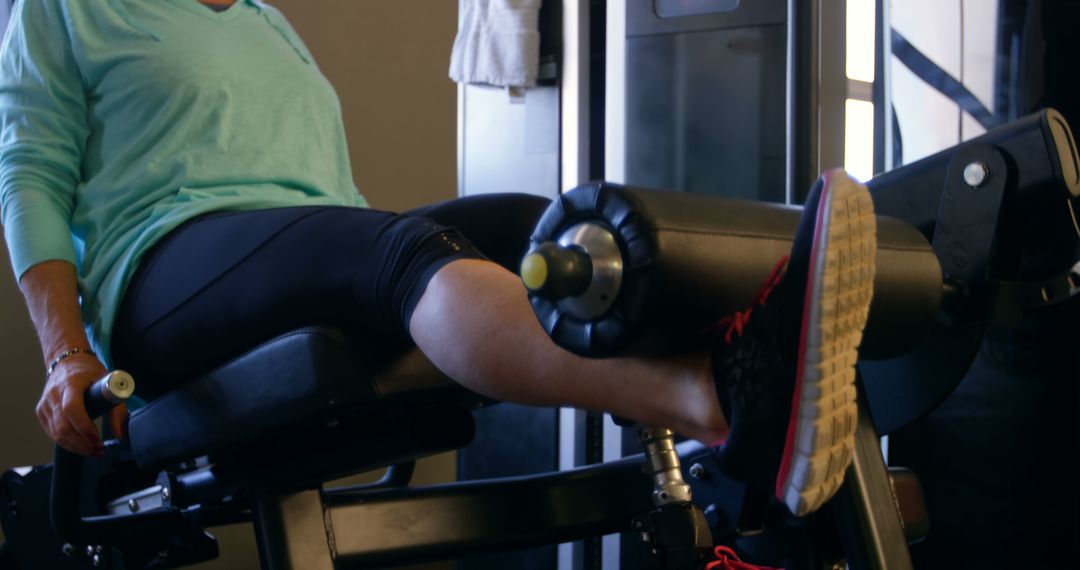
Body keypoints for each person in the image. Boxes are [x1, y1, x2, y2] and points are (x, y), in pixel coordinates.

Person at [0, 0, 876, 519]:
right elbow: (29, 176)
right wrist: (67, 352)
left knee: (538, 226)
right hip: (162, 277)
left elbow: (320, 205)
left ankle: (747, 354)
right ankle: (711, 401)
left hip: (292, 253)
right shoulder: (66, 7)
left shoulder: (262, 18)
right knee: (396, 254)